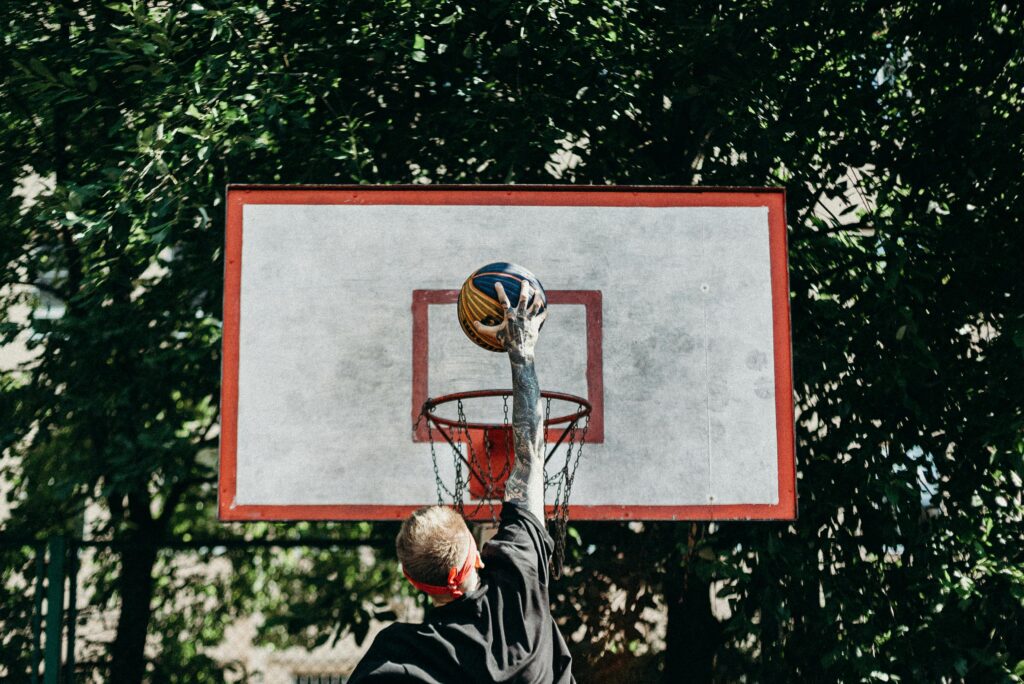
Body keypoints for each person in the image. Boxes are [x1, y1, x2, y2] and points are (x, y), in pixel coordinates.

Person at [349, 282, 574, 683]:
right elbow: (530, 457)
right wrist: (521, 352)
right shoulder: (518, 589)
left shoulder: (401, 656)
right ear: (476, 552)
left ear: (412, 579)